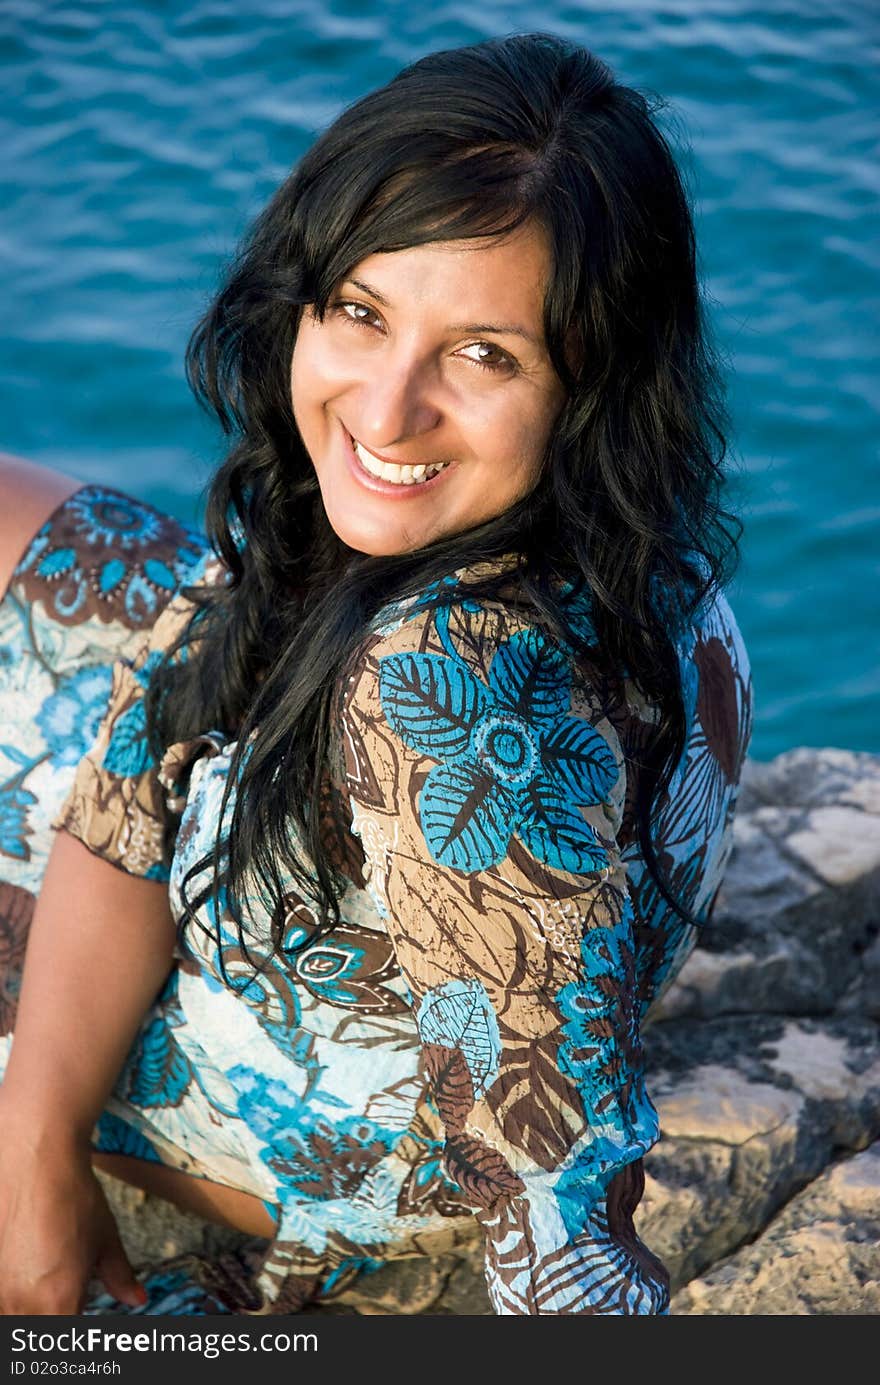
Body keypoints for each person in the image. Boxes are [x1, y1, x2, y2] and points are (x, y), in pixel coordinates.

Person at [0, 33, 753, 1316]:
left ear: (589, 380)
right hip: (315, 877)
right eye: (361, 311)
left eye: (482, 354)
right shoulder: (606, 520)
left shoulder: (451, 689)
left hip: (315, 1117)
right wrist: (34, 1170)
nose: (384, 409)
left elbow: (556, 1196)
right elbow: (153, 752)